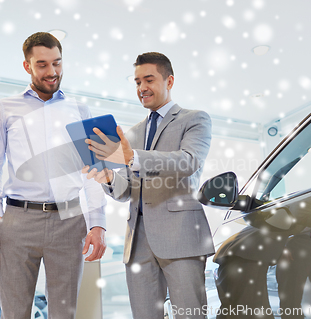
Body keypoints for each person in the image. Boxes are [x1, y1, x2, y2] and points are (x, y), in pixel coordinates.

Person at [83, 52, 214, 319]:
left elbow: (188, 162)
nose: (142, 88)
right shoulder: (132, 133)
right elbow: (129, 189)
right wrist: (108, 179)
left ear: (170, 80)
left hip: (181, 238)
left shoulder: (195, 119)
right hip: (138, 241)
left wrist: (130, 157)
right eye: (137, 82)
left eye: (149, 80)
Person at [0, 32, 107, 319]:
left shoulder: (80, 109)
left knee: (64, 313)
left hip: (69, 220)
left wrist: (98, 224)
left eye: (57, 63)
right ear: (27, 66)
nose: (52, 72)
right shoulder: (5, 108)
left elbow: (94, 169)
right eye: (42, 64)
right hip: (18, 219)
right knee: (14, 312)